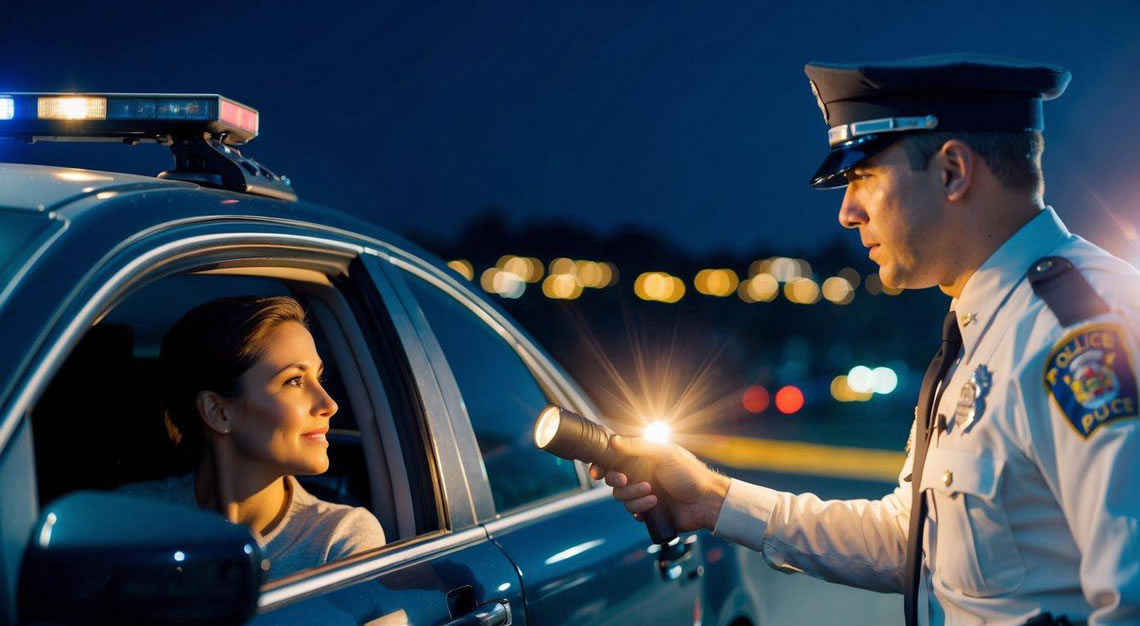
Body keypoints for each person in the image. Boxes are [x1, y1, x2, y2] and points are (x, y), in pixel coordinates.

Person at [590, 55, 1140, 625]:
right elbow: (916, 539)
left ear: (952, 171)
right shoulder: (992, 327)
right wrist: (713, 499)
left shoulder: (1081, 332)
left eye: (862, 177)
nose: (847, 212)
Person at [118, 295, 386, 579]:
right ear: (217, 411)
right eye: (294, 380)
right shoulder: (130, 517)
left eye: (318, 378)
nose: (329, 404)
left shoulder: (340, 539)